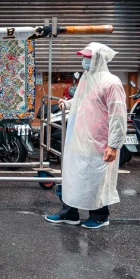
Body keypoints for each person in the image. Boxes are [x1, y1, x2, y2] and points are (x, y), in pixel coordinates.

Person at [45, 42, 127, 229]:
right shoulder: (86, 78)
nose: (85, 60)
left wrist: (113, 145)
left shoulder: (111, 83)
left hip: (99, 140)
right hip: (80, 137)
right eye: (85, 57)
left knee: (96, 178)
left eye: (89, 57)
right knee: (74, 175)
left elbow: (118, 115)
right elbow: (82, 98)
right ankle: (69, 213)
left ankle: (100, 216)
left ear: (99, 58)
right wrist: (69, 104)